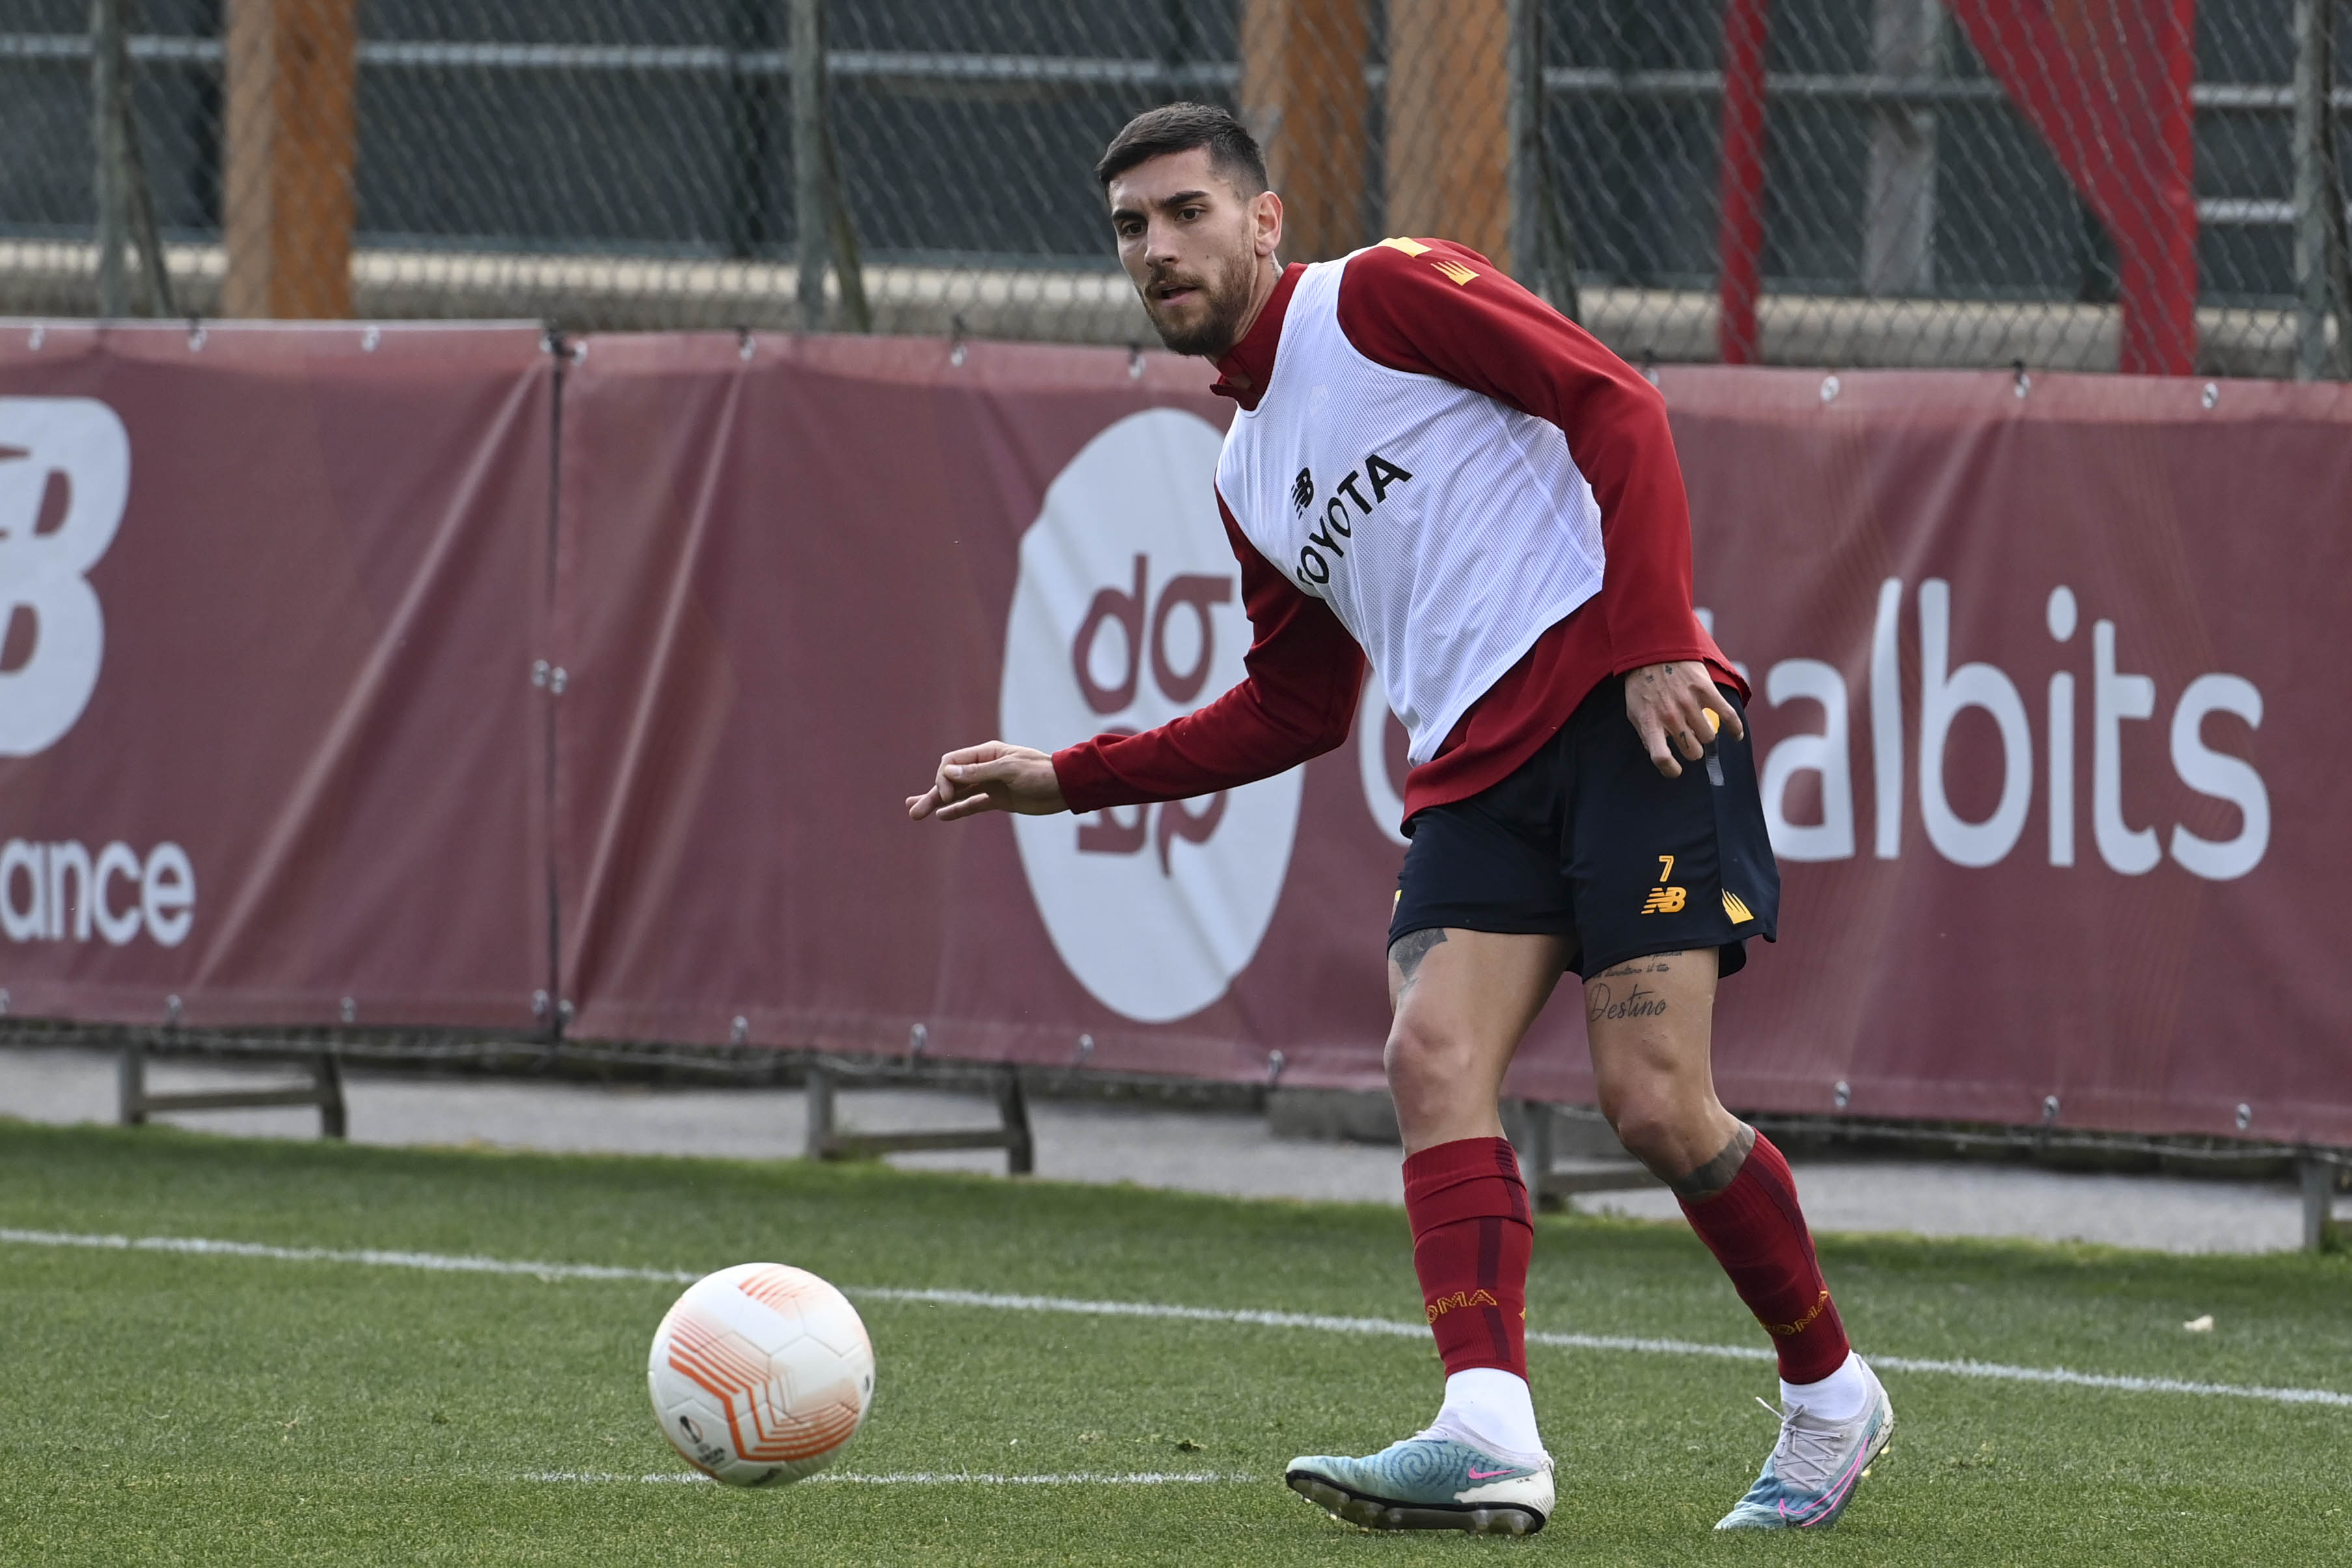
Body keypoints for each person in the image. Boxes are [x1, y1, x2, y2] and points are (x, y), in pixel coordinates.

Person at [906, 102, 1892, 1537]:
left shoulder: (1377, 292)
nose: (1156, 248)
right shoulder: (1244, 474)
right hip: (1473, 784)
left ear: (1262, 220)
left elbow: (1614, 400)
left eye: (1186, 212)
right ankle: (1486, 1428)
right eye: (1130, 227)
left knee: (1653, 1104)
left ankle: (1828, 1392)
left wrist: (1653, 639)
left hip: (1625, 726)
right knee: (1427, 1052)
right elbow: (1295, 708)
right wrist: (1068, 774)